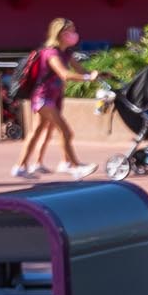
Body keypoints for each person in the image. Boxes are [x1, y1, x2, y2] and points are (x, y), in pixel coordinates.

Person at [13, 17, 97, 180]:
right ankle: (74, 166)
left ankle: (20, 167)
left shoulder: (66, 53)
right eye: (71, 31)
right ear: (61, 34)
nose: (74, 34)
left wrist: (96, 74)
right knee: (65, 132)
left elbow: (81, 70)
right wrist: (88, 78)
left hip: (54, 97)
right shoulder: (51, 52)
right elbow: (64, 74)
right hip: (43, 98)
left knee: (36, 132)